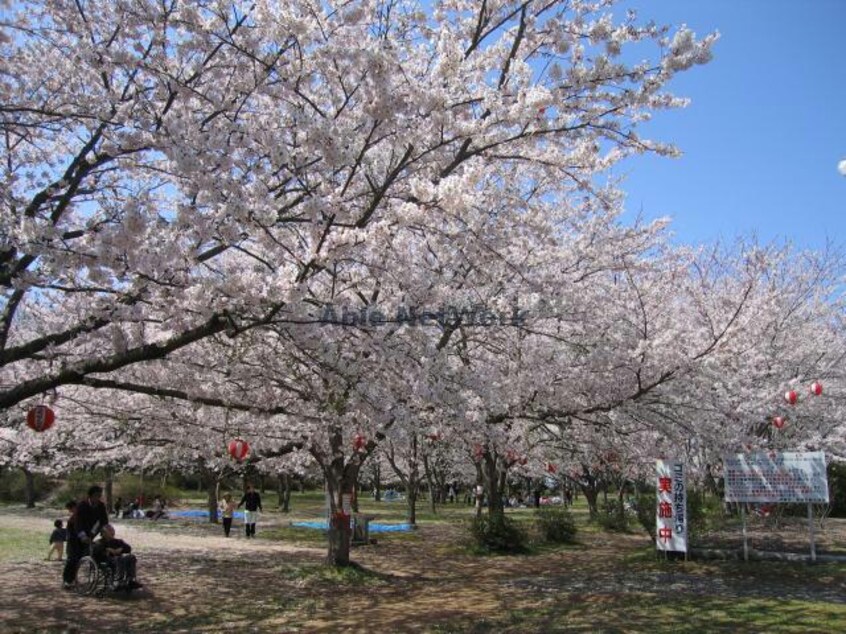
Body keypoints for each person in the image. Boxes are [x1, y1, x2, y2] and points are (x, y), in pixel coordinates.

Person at [92, 524, 142, 590]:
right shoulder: (99, 542)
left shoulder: (118, 541)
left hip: (118, 559)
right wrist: (107, 549)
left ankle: (130, 579)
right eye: (110, 531)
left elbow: (128, 548)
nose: (112, 532)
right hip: (105, 561)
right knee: (118, 559)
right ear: (103, 533)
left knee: (131, 557)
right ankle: (117, 580)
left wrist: (121, 549)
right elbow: (96, 551)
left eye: (113, 530)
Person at [61, 500, 80, 588]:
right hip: (72, 542)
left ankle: (73, 579)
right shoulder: (72, 519)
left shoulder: (77, 517)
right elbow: (71, 533)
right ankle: (67, 580)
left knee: (76, 562)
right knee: (71, 561)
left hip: (78, 542)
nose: (70, 511)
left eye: (71, 509)